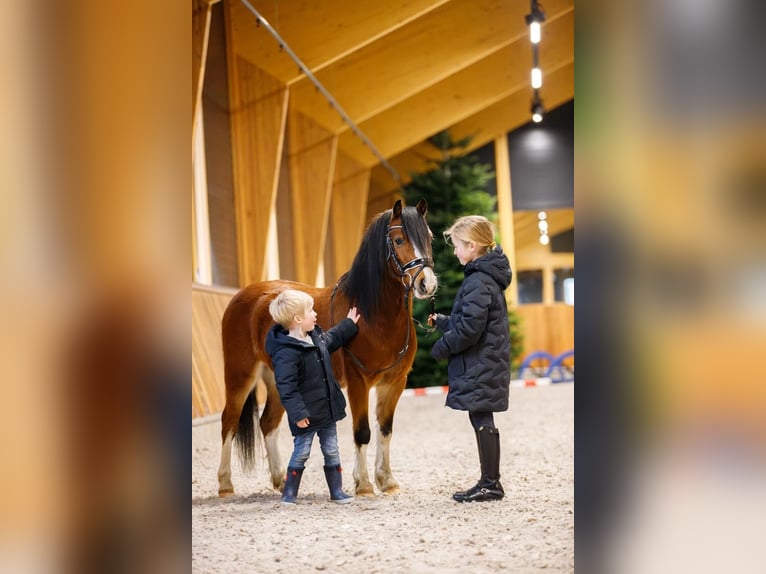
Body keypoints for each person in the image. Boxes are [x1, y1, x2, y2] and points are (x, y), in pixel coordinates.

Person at [428, 215, 512, 503]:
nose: (454, 252)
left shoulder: (478, 280)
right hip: (484, 360)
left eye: (457, 246)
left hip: (481, 362)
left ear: (473, 246)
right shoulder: (484, 278)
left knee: (481, 415)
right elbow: (470, 320)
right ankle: (490, 482)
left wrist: (441, 347)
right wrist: (442, 322)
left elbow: (469, 330)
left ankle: (491, 483)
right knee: (480, 415)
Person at [265, 289, 360, 505]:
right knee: (301, 452)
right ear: (298, 319)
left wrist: (349, 324)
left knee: (331, 449)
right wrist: (298, 414)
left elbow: (332, 339)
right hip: (305, 415)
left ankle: (336, 490)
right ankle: (289, 493)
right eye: (311, 311)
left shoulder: (315, 336)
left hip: (326, 410)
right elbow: (286, 387)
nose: (316, 314)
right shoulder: (285, 353)